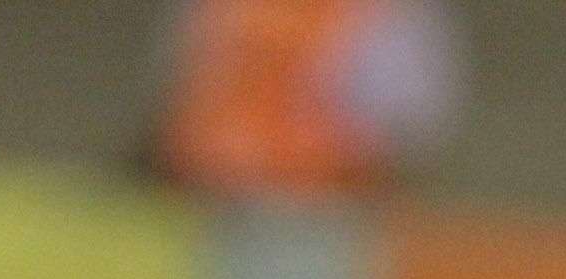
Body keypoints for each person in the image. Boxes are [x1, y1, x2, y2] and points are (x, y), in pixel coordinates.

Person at [151, 0, 461, 199]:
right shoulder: (223, 12)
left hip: (329, 225)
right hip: (206, 212)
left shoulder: (390, 15)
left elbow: (403, 141)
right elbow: (179, 103)